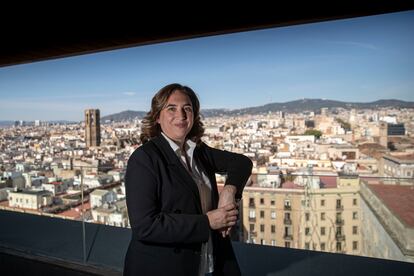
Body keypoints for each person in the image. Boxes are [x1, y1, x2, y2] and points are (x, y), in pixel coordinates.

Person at [123, 83, 252, 276]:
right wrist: (207, 222)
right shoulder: (144, 158)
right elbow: (145, 226)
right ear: (157, 117)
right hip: (163, 267)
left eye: (187, 108)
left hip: (207, 260)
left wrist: (229, 191)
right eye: (171, 109)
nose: (181, 115)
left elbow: (241, 163)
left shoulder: (198, 151)